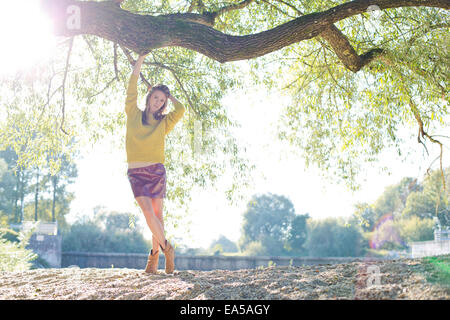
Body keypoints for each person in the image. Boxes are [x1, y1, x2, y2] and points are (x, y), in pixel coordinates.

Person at [125, 53, 185, 274]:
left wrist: (170, 95)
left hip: (156, 171)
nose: (158, 102)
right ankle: (168, 249)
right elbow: (132, 86)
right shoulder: (132, 113)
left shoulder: (164, 123)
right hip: (136, 172)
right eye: (156, 98)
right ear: (149, 97)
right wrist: (139, 60)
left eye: (162, 100)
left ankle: (153, 260)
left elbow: (181, 110)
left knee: (157, 217)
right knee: (148, 213)